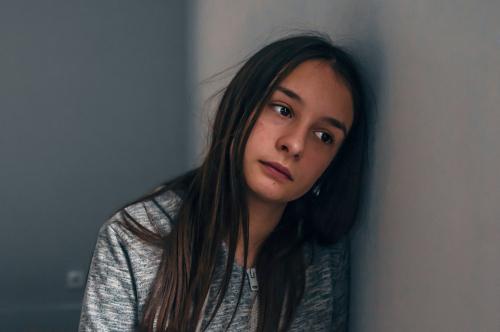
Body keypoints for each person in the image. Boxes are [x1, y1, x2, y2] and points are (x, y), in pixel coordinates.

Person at [79, 32, 368, 332]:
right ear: (242, 107)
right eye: (283, 110)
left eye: (324, 136)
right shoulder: (134, 238)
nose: (295, 145)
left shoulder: (324, 255)